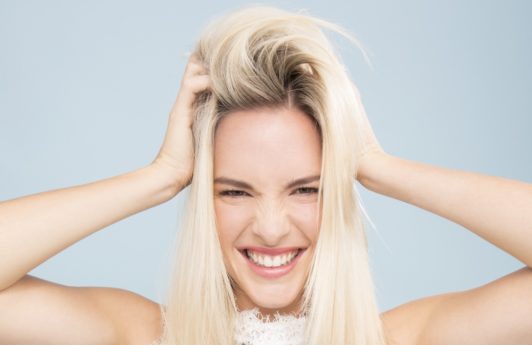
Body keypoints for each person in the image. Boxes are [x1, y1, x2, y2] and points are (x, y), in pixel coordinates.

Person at [1, 5, 531, 345]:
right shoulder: (142, 334)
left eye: (305, 189)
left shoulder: (401, 338)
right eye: (234, 191)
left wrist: (377, 166)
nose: (272, 228)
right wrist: (160, 177)